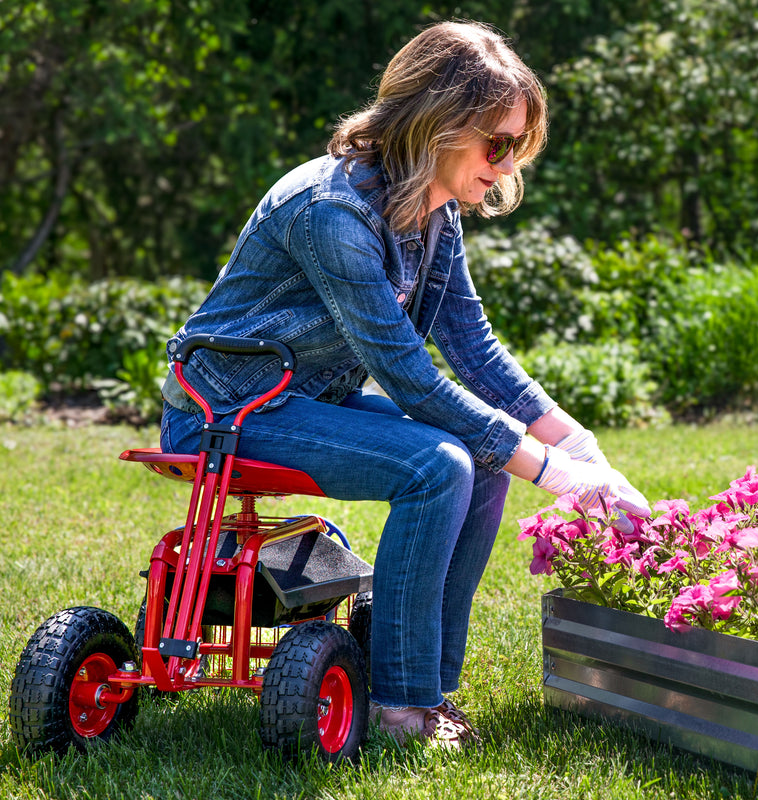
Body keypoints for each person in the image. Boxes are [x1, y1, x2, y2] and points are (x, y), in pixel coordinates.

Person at [160, 20, 650, 750]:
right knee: (440, 462)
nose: (507, 161)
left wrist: (579, 445)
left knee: (482, 457)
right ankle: (401, 707)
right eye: (497, 141)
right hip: (224, 412)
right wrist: (554, 475)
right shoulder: (334, 212)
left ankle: (427, 685)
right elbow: (411, 379)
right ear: (438, 123)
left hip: (301, 398)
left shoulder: (432, 209)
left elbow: (474, 351)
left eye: (517, 144)